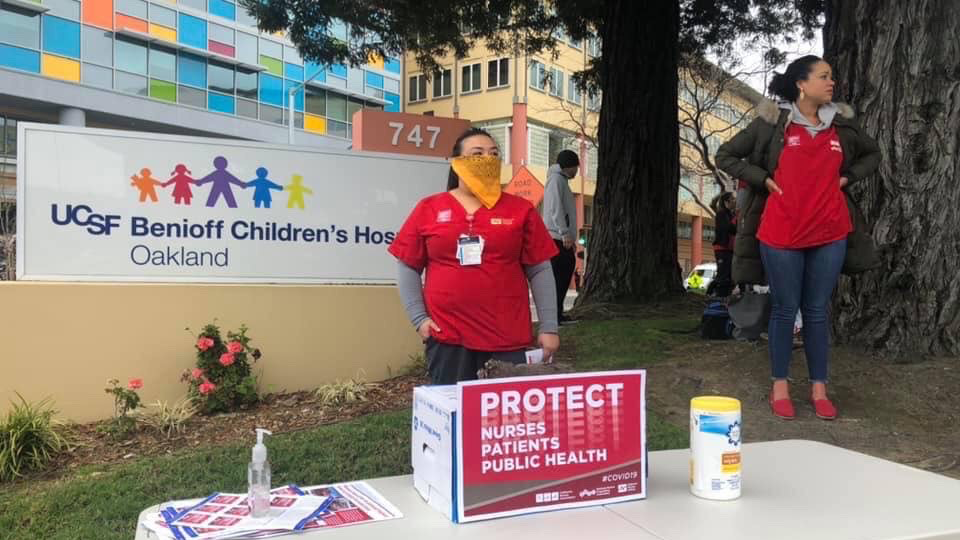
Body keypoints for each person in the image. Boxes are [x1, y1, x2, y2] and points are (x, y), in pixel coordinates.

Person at [715, 55, 881, 421]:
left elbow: (873, 155)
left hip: (830, 232)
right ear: (801, 84)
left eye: (832, 77)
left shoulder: (840, 127)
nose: (831, 82)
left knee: (818, 312)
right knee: (785, 310)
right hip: (781, 233)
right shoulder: (773, 124)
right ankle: (780, 386)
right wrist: (763, 179)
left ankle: (819, 389)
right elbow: (725, 155)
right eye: (824, 77)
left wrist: (846, 178)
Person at [389, 128, 560, 384]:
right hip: (448, 337)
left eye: (493, 154)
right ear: (456, 163)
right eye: (477, 154)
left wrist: (549, 327)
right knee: (454, 413)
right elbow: (407, 266)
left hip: (506, 337)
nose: (487, 160)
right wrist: (419, 319)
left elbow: (540, 269)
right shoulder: (429, 208)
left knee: (502, 418)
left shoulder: (520, 210)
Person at [542, 150, 579, 324]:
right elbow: (556, 207)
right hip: (557, 237)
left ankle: (558, 313)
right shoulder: (556, 180)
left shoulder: (560, 180)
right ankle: (555, 316)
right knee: (560, 276)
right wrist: (564, 232)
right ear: (569, 166)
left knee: (563, 275)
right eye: (576, 167)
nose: (576, 171)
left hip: (560, 236)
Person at [709, 192, 737, 298]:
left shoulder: (731, 214)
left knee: (728, 274)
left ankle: (724, 295)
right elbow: (729, 228)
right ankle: (714, 294)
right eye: (733, 199)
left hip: (730, 249)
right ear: (726, 202)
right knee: (723, 274)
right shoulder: (722, 214)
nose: (735, 201)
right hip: (722, 248)